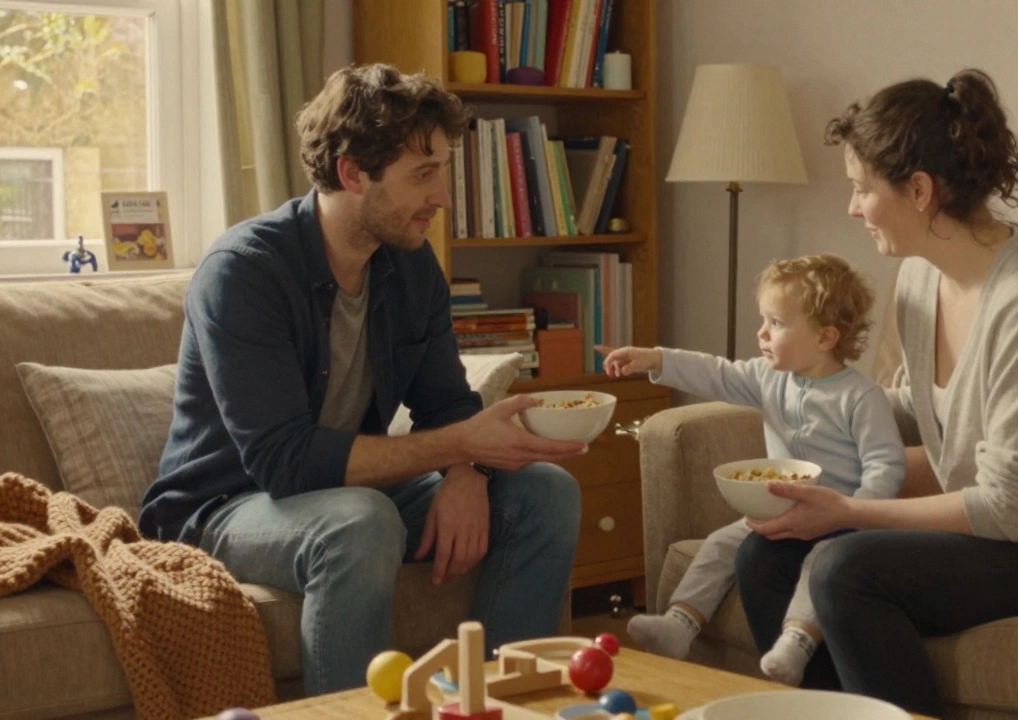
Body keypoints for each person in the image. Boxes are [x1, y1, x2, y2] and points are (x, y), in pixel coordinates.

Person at [138, 64, 587, 696]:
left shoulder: (410, 264)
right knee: (361, 522)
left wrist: (468, 472)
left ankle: (501, 704)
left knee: (545, 493)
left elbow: (446, 403)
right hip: (225, 506)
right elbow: (283, 461)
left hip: (348, 491)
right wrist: (461, 448)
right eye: (422, 175)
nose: (443, 198)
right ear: (352, 173)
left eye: (443, 173)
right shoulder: (243, 272)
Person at [731, 69, 1018, 717]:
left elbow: (1011, 509)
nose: (851, 207)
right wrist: (819, 438)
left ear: (919, 190)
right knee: (766, 553)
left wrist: (845, 510)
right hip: (1007, 533)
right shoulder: (917, 279)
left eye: (861, 189)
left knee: (843, 567)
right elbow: (924, 412)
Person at [600, 254, 905, 686]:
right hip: (778, 513)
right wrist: (654, 359)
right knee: (723, 542)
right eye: (763, 320)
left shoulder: (860, 397)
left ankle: (796, 642)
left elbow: (886, 464)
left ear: (825, 337)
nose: (761, 333)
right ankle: (680, 623)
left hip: (843, 520)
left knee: (822, 561)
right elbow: (715, 372)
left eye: (777, 323)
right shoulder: (769, 377)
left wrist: (855, 510)